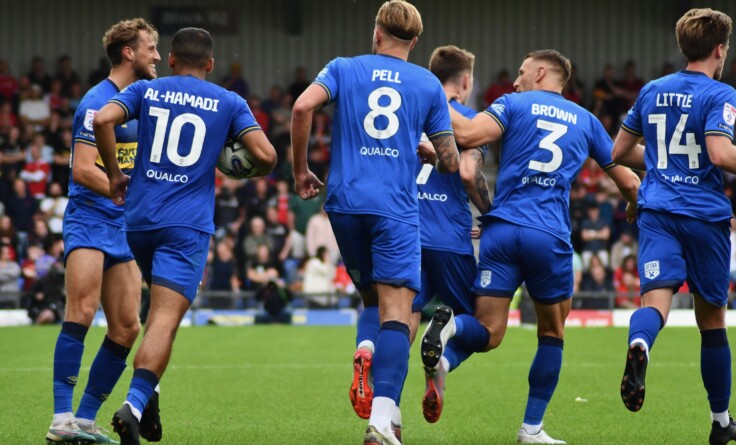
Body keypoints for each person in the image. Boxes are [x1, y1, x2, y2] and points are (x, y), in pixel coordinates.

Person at [422, 49, 640, 444]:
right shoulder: (586, 120)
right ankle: (531, 428)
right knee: (552, 333)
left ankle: (452, 333)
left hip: (501, 232)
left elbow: (466, 135)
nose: (515, 80)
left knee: (489, 330)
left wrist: (431, 93)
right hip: (548, 235)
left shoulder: (511, 104)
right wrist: (630, 204)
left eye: (522, 73)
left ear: (541, 72)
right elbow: (629, 181)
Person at [610, 8, 736, 444]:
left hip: (657, 212)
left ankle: (640, 345)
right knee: (712, 321)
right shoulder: (720, 93)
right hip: (704, 216)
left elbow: (619, 152)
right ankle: (720, 422)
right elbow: (719, 153)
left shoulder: (652, 89)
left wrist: (661, 165)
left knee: (655, 303)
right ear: (719, 49)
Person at [93, 27, 276, 445]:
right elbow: (267, 156)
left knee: (158, 315)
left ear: (172, 60)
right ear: (210, 64)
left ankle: (151, 396)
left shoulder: (146, 90)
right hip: (185, 227)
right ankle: (133, 405)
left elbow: (102, 119)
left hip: (140, 221)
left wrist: (116, 174)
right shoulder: (229, 101)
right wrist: (239, 166)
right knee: (165, 319)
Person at [291, 2, 458, 443]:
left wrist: (301, 171)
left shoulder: (344, 68)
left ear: (377, 32)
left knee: (371, 299)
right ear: (415, 42)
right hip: (394, 208)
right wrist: (430, 153)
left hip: (344, 204)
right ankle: (382, 422)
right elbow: (450, 161)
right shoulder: (427, 83)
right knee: (398, 314)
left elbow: (302, 107)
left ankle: (365, 348)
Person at [46, 18, 162, 445]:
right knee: (80, 311)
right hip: (90, 220)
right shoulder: (97, 103)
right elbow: (81, 169)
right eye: (150, 48)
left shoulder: (142, 103)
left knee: (127, 327)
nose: (157, 56)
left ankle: (84, 419)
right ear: (129, 52)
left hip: (123, 226)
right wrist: (127, 196)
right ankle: (60, 419)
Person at [410, 44, 491, 424]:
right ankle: (443, 358)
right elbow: (469, 175)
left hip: (406, 234)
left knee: (398, 322)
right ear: (466, 81)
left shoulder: (411, 112)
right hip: (449, 238)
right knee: (482, 324)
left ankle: (386, 413)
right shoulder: (471, 121)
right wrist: (492, 214)